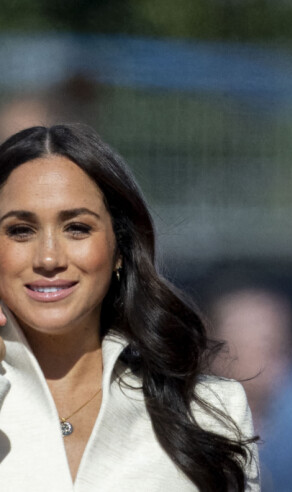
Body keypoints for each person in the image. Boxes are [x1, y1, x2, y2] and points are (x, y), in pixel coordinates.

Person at [0, 124, 260, 491]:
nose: (48, 257)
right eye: (21, 230)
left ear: (120, 249)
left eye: (76, 228)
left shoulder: (208, 410)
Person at [208, 285, 292, 492]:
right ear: (213, 352)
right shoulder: (189, 428)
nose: (270, 343)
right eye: (249, 330)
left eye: (279, 334)